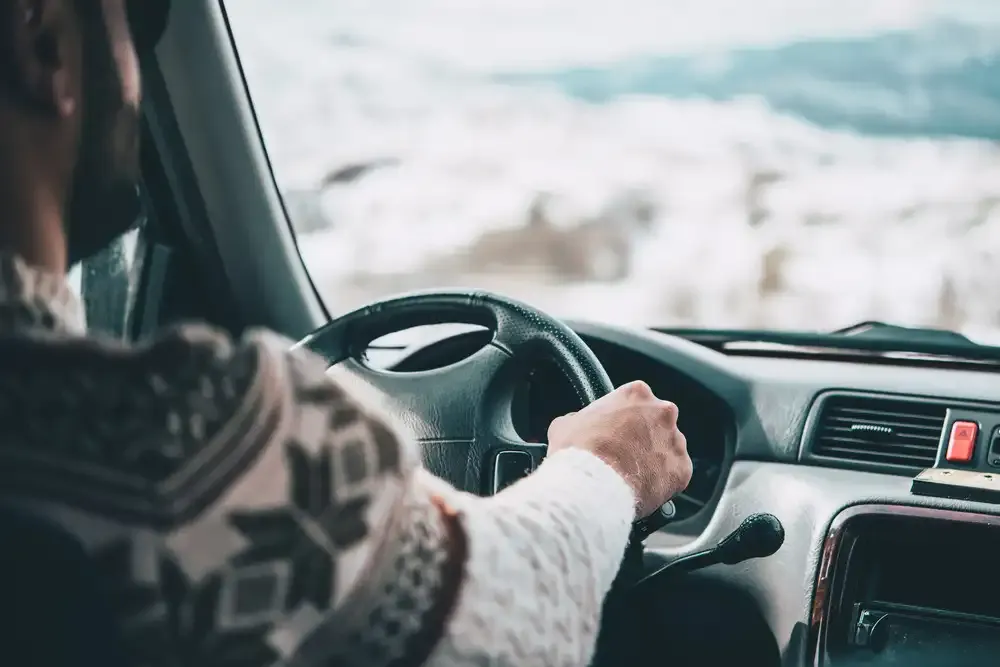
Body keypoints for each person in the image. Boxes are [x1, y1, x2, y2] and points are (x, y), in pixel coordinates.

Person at [0, 1, 693, 666]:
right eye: (139, 19)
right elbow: (516, 621)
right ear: (45, 42)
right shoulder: (167, 448)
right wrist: (607, 462)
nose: (138, 75)